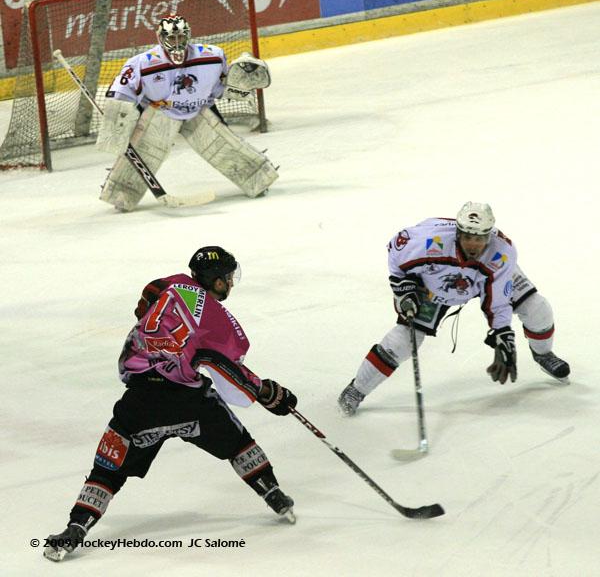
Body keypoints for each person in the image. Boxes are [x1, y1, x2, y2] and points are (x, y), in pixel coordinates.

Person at [44, 246, 298, 562]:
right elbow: (231, 372)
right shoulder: (217, 319)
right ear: (217, 280)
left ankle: (76, 528)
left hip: (140, 399)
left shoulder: (171, 284)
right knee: (237, 442)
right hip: (188, 402)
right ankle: (272, 493)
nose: (231, 283)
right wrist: (268, 393)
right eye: (228, 278)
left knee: (109, 466)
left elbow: (146, 298)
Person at [338, 202, 570, 416]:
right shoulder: (427, 242)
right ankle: (357, 389)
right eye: (468, 237)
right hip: (433, 285)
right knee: (403, 341)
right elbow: (395, 252)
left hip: (482, 277)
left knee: (537, 308)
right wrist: (403, 286)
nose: (473, 244)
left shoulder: (501, 253)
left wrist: (502, 332)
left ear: (489, 236)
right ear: (458, 233)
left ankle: (543, 354)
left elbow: (497, 300)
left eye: (480, 238)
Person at [96, 15, 276, 211]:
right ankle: (121, 193)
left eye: (181, 37)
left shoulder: (213, 56)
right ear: (160, 38)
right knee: (144, 153)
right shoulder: (142, 63)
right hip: (161, 112)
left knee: (225, 147)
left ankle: (257, 177)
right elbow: (121, 94)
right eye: (171, 38)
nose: (177, 42)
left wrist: (237, 83)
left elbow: (220, 88)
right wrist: (118, 119)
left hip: (198, 110)